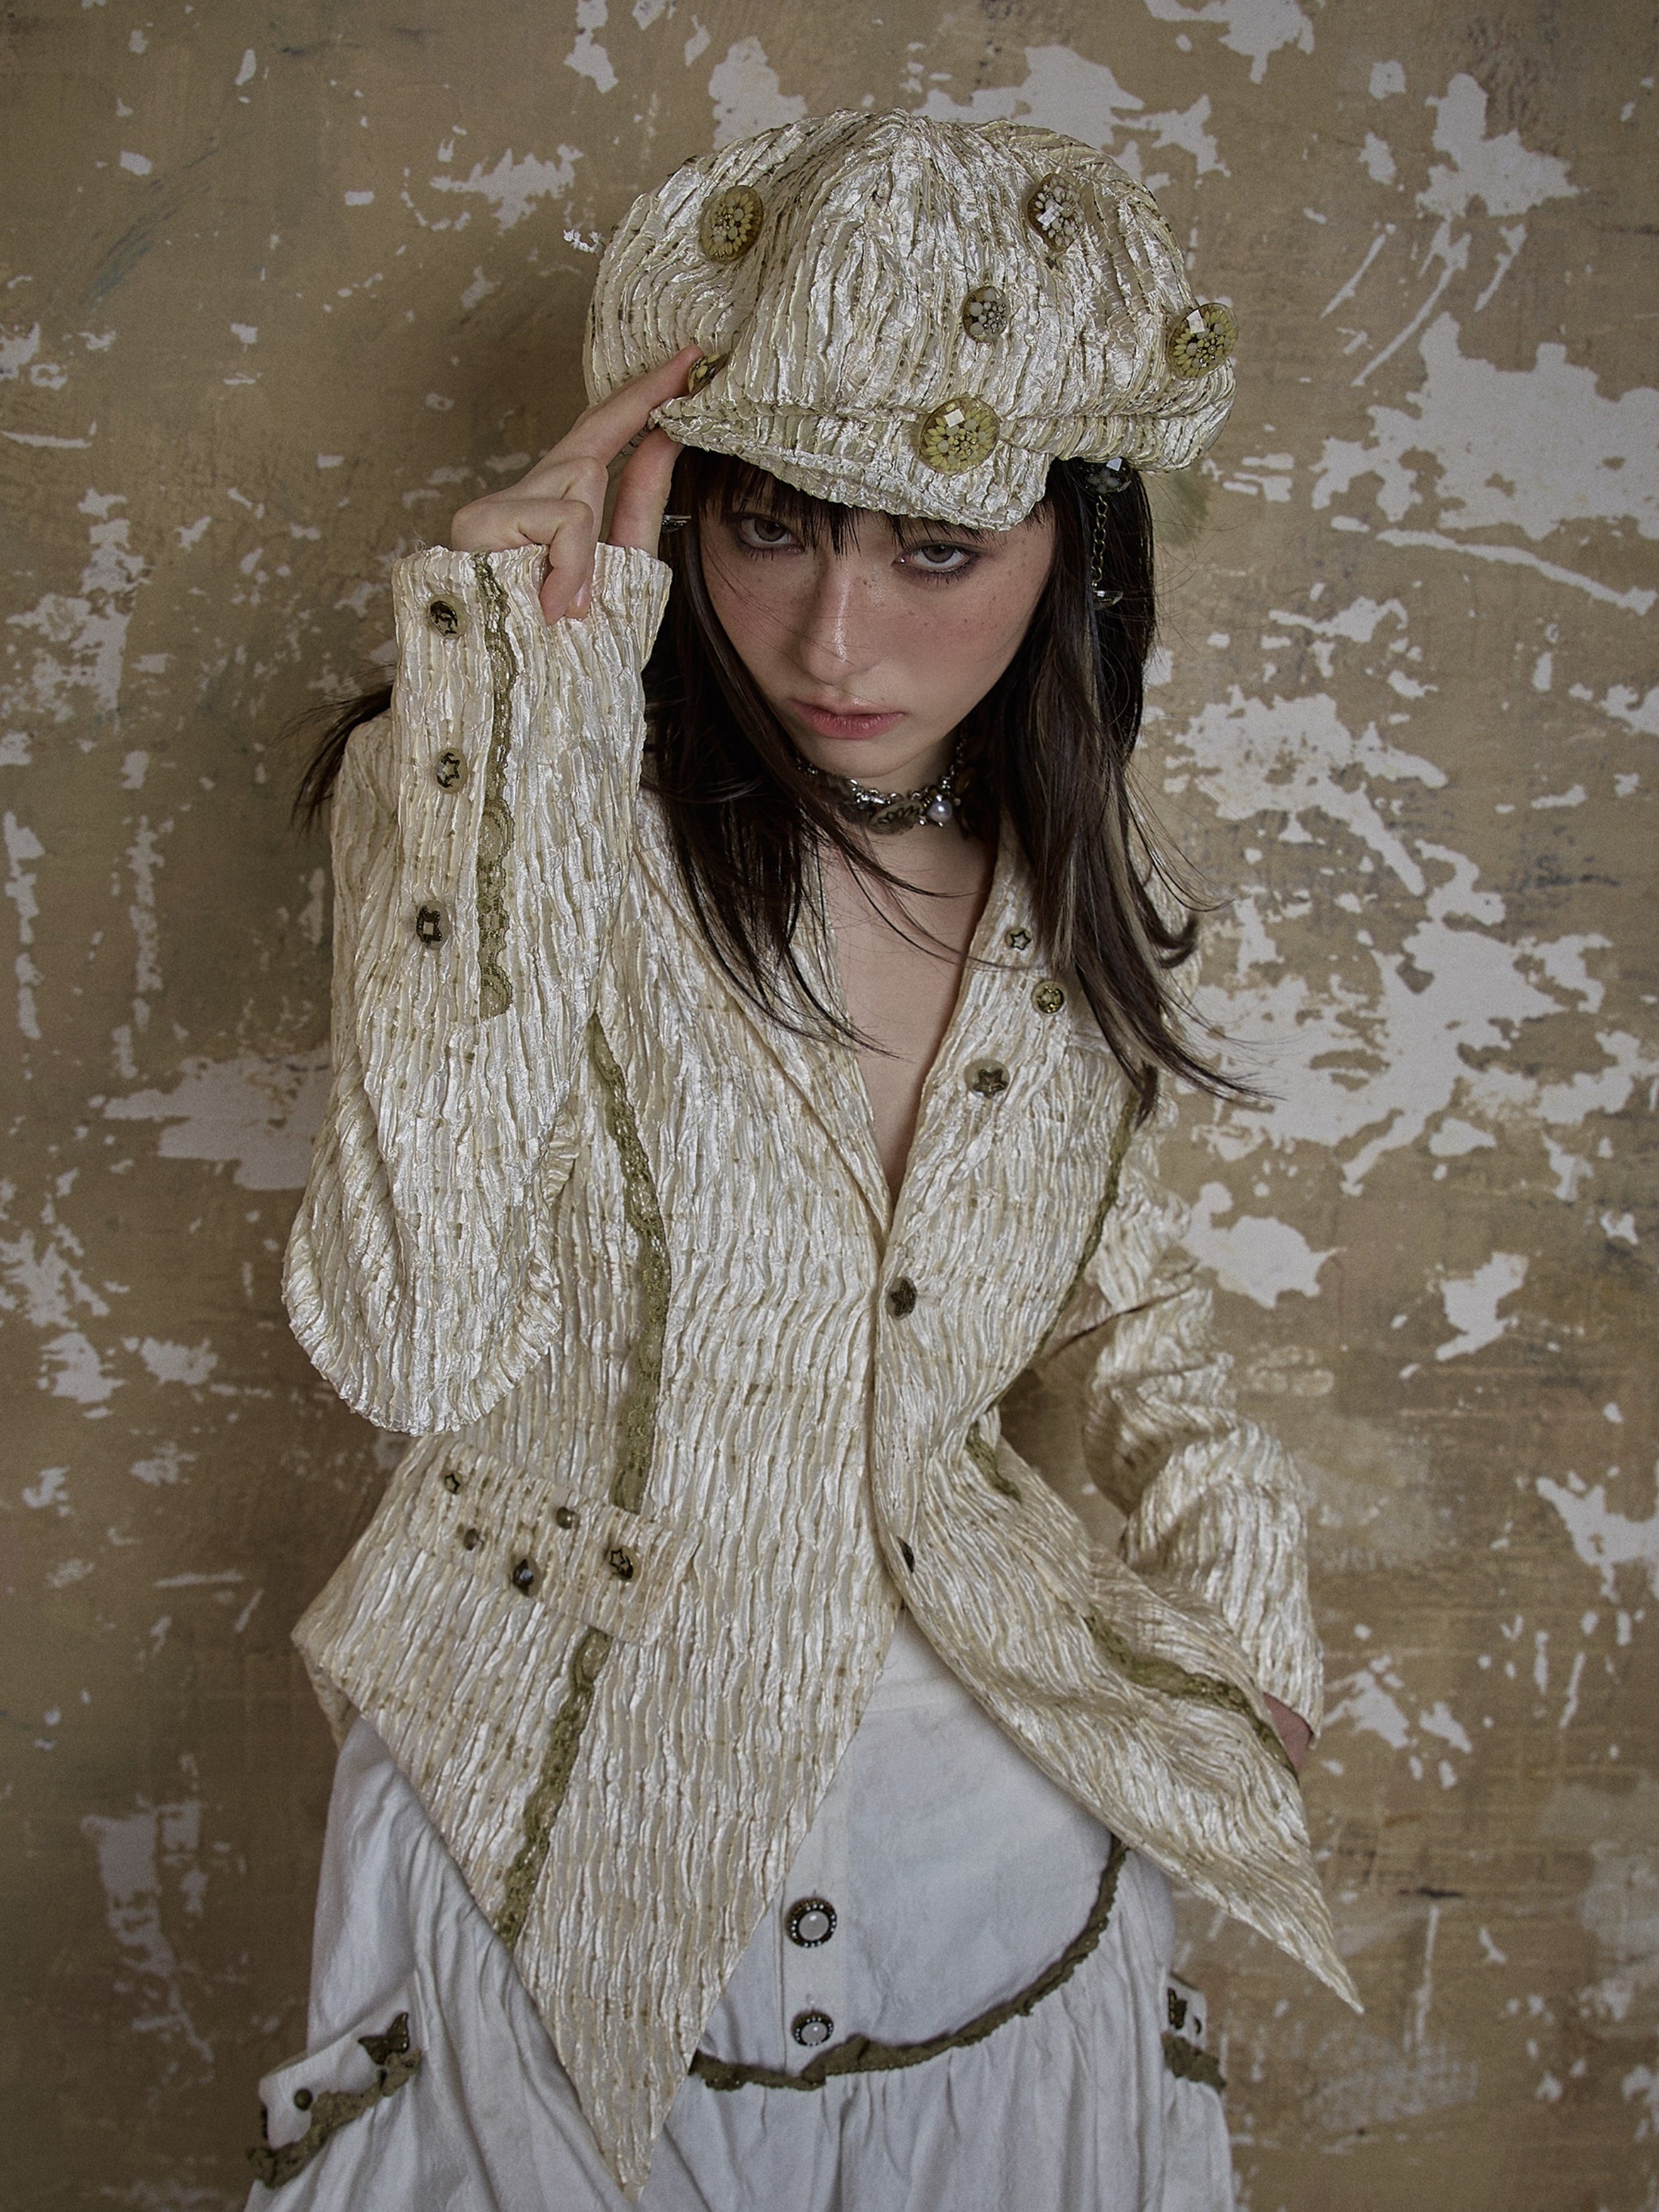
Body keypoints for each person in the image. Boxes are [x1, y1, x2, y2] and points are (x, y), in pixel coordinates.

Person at [252, 110, 1358, 2212]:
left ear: (1073, 547)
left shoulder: (1053, 894)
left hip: (997, 1839)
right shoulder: (516, 803)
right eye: (770, 528)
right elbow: (409, 1335)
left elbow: (1121, 1305)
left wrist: (1245, 1612)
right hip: (546, 1826)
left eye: (934, 547)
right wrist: (514, 705)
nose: (835, 639)